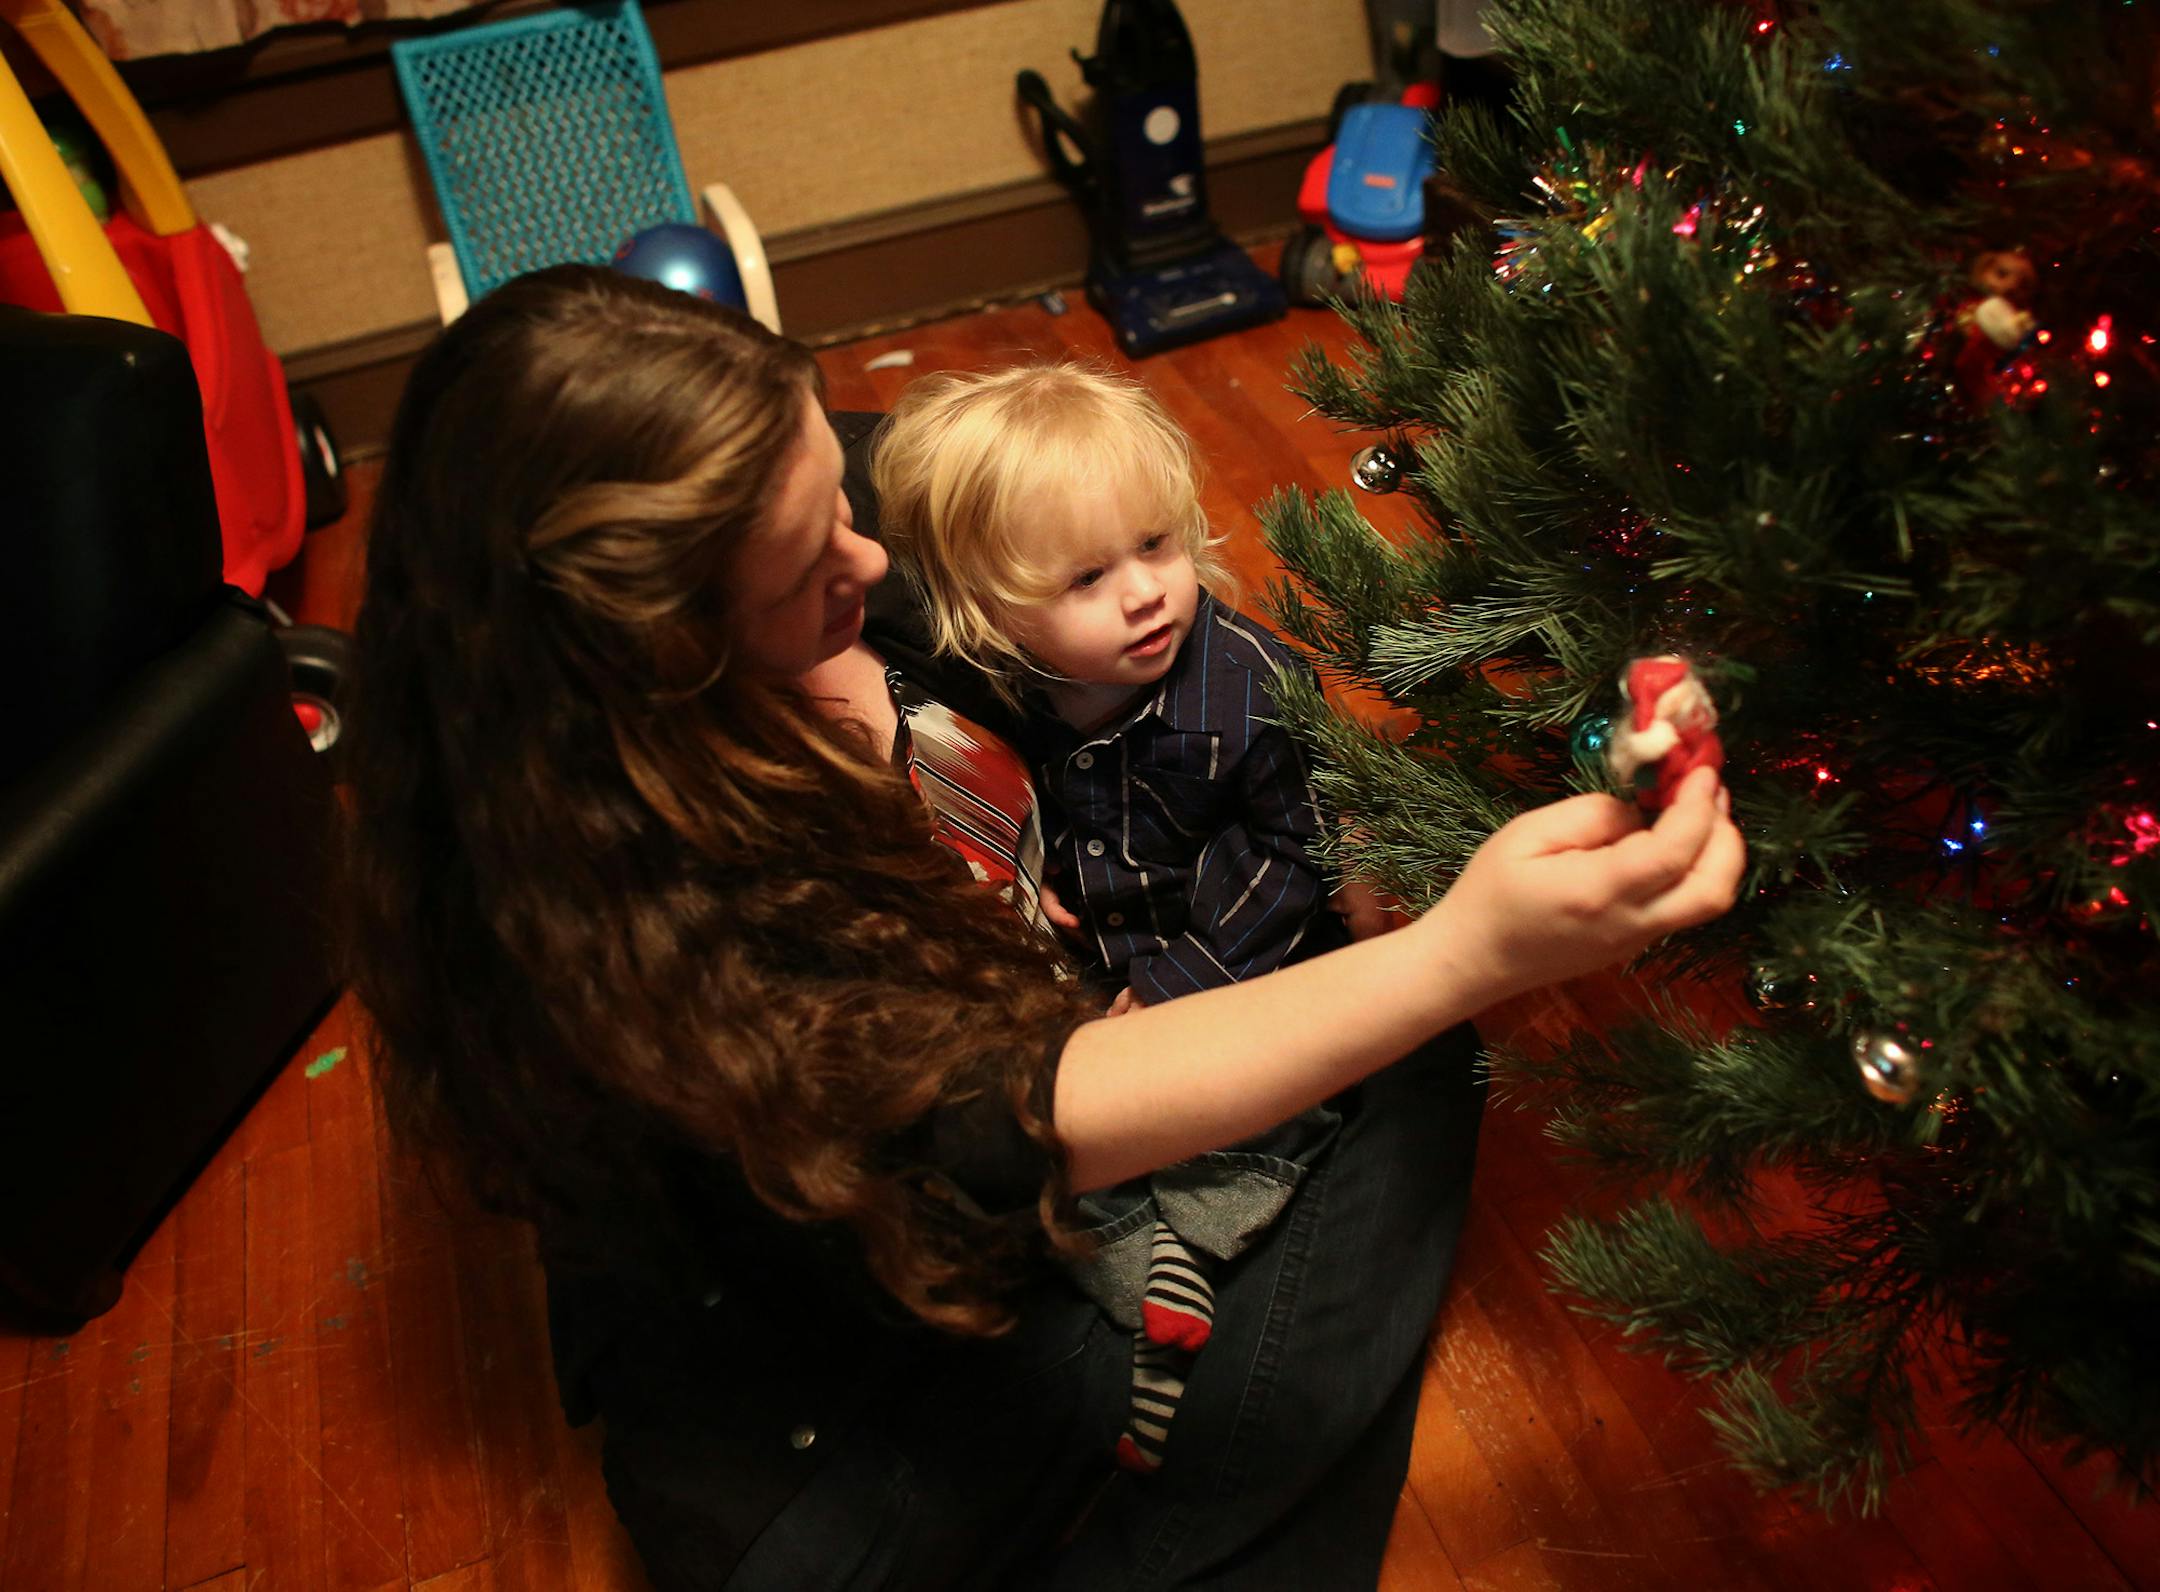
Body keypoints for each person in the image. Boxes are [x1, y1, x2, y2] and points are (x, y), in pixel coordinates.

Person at [344, 264, 1743, 1592]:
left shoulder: (785, 513)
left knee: (1374, 1032)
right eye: (801, 569)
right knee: (1410, 1048)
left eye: (840, 491)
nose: (869, 553)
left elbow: (1108, 567)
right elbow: (1003, 1121)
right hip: (834, 1467)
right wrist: (1458, 954)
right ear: (654, 647)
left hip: (1020, 1094)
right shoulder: (647, 927)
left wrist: (1348, 815)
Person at [871, 363, 1358, 1473]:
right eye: (1087, 575)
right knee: (1033, 1129)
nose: (1146, 592)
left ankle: (1184, 1247)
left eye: (1157, 545)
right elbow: (1008, 785)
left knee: (1267, 1109)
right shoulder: (1007, 681)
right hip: (1098, 957)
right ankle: (1147, 1264)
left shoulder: (1243, 688)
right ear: (989, 610)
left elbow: (1297, 850)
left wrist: (1189, 974)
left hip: (1235, 961)